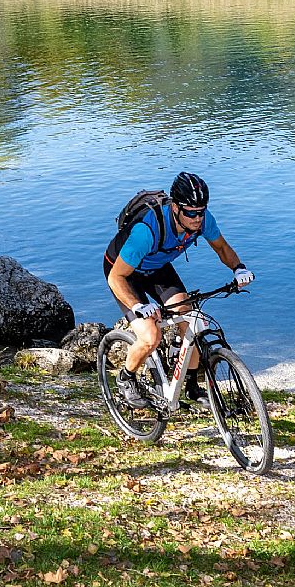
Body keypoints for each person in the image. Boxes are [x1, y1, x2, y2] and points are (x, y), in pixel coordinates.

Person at [103, 172, 254, 409]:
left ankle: (192, 387)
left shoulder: (203, 219)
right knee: (151, 335)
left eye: (201, 211)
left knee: (192, 318)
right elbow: (116, 277)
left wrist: (238, 268)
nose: (197, 218)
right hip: (124, 273)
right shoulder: (146, 231)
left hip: (156, 267)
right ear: (175, 207)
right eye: (191, 212)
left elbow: (222, 248)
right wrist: (138, 306)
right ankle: (126, 378)